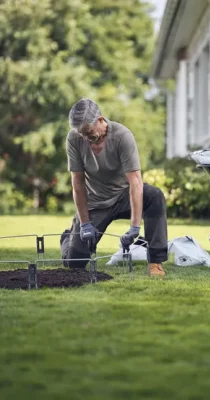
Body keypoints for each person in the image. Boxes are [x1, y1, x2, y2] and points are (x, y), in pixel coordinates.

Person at [59, 98, 168, 276]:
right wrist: (85, 224)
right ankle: (68, 237)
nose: (85, 138)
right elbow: (77, 183)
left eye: (88, 132)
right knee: (74, 264)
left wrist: (134, 228)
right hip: (96, 202)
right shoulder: (74, 138)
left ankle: (155, 262)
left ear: (100, 119)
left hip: (123, 196)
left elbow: (135, 182)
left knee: (154, 196)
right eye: (81, 134)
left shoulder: (122, 136)